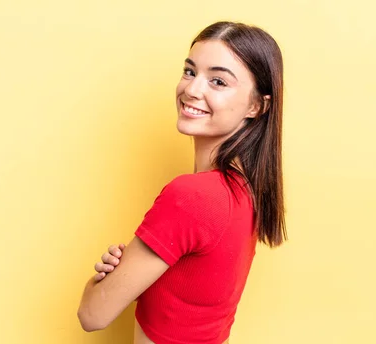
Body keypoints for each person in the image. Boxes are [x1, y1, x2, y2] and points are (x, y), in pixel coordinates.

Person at [77, 21, 286, 344]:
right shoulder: (248, 192)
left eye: (217, 81)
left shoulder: (193, 196)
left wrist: (101, 284)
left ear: (257, 106)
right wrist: (133, 278)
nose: (192, 89)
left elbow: (92, 315)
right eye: (190, 71)